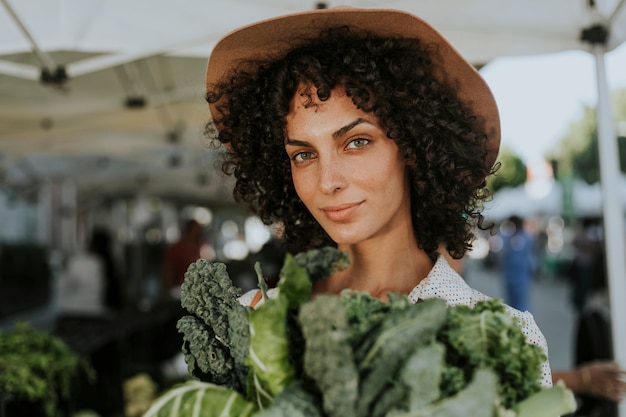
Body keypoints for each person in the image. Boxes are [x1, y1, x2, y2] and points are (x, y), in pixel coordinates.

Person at [204, 7, 552, 387]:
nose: (327, 182)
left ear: (414, 145)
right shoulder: (250, 320)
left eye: (356, 142)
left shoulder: (508, 342)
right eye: (304, 154)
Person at [499, 215, 536, 312]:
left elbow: (530, 255)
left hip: (521, 273)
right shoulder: (509, 236)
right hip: (510, 272)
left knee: (520, 300)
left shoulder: (526, 237)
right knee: (510, 300)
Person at [162, 219, 203, 294]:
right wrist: (168, 289)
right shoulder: (177, 248)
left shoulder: (198, 248)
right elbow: (168, 269)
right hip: (178, 289)